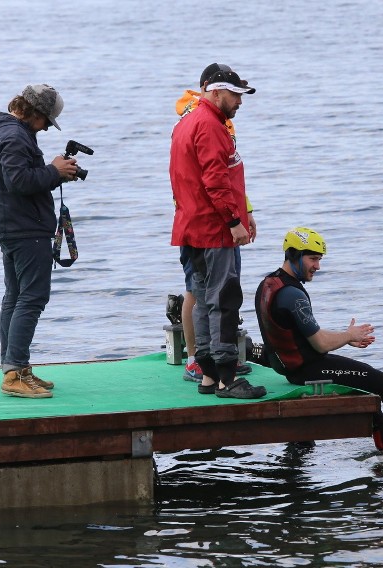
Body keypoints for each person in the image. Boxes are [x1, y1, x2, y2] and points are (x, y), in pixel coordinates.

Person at [254, 227, 383, 453]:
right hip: (307, 371)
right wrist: (348, 335)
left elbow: (299, 334)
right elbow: (320, 343)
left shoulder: (269, 284)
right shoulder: (293, 295)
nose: (318, 266)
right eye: (313, 259)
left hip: (292, 367)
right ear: (293, 254)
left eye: (320, 259)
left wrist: (344, 337)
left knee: (364, 380)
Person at [169, 63, 266, 399]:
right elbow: (215, 181)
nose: (239, 102)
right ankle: (228, 379)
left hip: (191, 226)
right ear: (215, 90)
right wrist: (234, 221)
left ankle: (208, 376)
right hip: (214, 229)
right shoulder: (210, 125)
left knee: (203, 301)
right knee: (224, 300)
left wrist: (244, 209)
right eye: (235, 94)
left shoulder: (187, 121)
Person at [0, 84, 79, 399]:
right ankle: (14, 371)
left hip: (12, 226)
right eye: (47, 120)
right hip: (25, 229)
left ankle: (15, 368)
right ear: (33, 112)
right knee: (32, 298)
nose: (48, 127)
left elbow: (18, 180)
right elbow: (19, 181)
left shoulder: (5, 133)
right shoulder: (14, 137)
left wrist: (54, 173)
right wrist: (52, 170)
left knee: (15, 296)